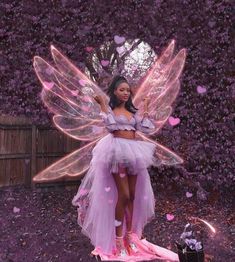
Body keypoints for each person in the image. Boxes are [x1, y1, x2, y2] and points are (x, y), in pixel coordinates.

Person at [72, 75, 179, 261]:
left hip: (134, 154)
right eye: (122, 90)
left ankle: (130, 235)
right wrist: (103, 106)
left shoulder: (132, 112)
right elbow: (111, 127)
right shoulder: (111, 110)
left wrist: (145, 109)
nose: (125, 93)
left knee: (133, 196)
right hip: (116, 153)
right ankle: (119, 240)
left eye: (128, 90)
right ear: (114, 92)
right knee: (124, 195)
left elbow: (145, 129)